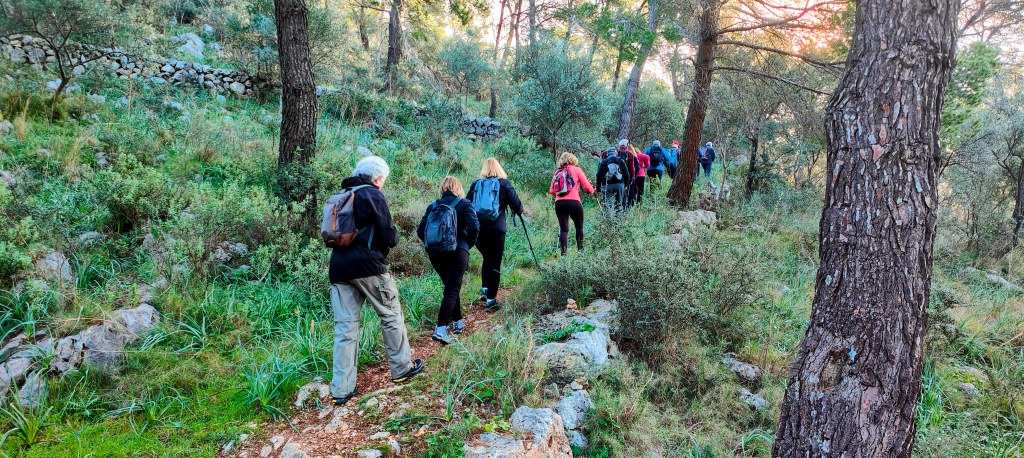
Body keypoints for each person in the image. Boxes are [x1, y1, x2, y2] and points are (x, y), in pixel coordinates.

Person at [328, 156, 424, 406]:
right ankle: (402, 369)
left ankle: (341, 389)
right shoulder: (373, 194)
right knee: (391, 315)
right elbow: (388, 234)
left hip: (338, 269)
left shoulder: (342, 194)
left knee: (345, 329)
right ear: (378, 178)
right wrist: (391, 241)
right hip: (369, 266)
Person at [417, 176, 480, 345]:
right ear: (458, 187)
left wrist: (434, 245)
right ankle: (441, 328)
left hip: (435, 253)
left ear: (442, 188)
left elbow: (420, 231)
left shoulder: (433, 206)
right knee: (452, 288)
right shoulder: (465, 204)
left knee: (451, 286)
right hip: (458, 251)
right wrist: (467, 244)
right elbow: (474, 227)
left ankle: (458, 322)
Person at [466, 158, 524, 312]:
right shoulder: (504, 184)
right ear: (499, 168)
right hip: (497, 229)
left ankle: (485, 291)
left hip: (479, 229)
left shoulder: (476, 184)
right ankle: (491, 301)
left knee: (487, 258)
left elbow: (466, 204)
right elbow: (518, 206)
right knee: (495, 262)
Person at [549, 152, 595, 255]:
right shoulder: (577, 170)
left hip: (559, 203)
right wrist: (592, 191)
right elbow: (587, 186)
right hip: (574, 201)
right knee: (579, 226)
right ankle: (580, 252)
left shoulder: (557, 173)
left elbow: (552, 191)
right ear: (573, 159)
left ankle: (563, 254)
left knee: (564, 229)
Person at [597, 146, 629, 215]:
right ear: (616, 153)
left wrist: (598, 188)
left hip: (607, 185)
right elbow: (627, 175)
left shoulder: (604, 162)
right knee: (619, 205)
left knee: (608, 205)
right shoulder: (620, 161)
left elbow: (598, 175)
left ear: (607, 154)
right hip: (620, 185)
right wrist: (626, 185)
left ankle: (609, 223)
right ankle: (618, 224)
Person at [615, 140, 640, 208]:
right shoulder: (631, 155)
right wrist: (633, 177)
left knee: (618, 195)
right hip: (627, 178)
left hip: (616, 178)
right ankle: (625, 210)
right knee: (626, 195)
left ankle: (617, 209)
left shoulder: (616, 154)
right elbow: (635, 168)